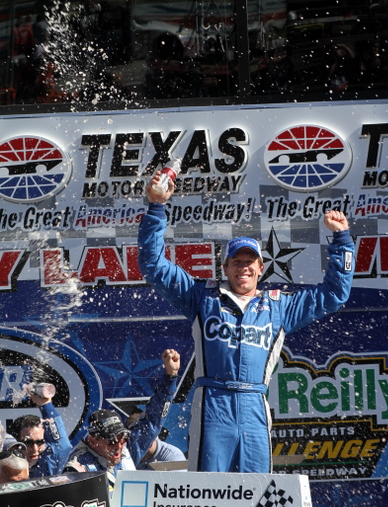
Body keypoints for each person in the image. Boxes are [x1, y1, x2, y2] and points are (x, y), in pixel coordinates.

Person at [138, 173, 354, 473]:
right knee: (211, 490)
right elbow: (153, 265)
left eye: (250, 261)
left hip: (255, 404)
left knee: (257, 492)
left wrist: (342, 239)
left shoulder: (280, 307)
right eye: (236, 261)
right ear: (224, 267)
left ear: (261, 268)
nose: (244, 267)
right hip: (213, 404)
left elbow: (334, 294)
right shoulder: (202, 297)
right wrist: (156, 208)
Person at [64, 349, 180, 488]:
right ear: (93, 441)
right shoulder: (78, 470)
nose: (119, 446)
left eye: (123, 438)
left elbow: (154, 418)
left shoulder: (127, 447)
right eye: (112, 441)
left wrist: (170, 377)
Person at [10, 384, 72, 477]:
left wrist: (46, 405)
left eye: (40, 442)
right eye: (28, 443)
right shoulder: (4, 468)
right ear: (15, 445)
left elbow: (63, 447)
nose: (35, 449)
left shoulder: (45, 468)